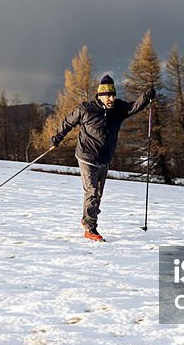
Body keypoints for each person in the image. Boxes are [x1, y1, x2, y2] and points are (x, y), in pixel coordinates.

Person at [51, 74, 155, 241]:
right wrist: (57, 137)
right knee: (92, 191)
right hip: (86, 156)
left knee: (97, 195)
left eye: (113, 95)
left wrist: (146, 97)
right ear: (100, 95)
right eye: (108, 95)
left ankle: (87, 216)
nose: (112, 98)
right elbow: (67, 122)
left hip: (104, 158)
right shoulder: (86, 109)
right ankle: (90, 228)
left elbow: (134, 107)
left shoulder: (118, 109)